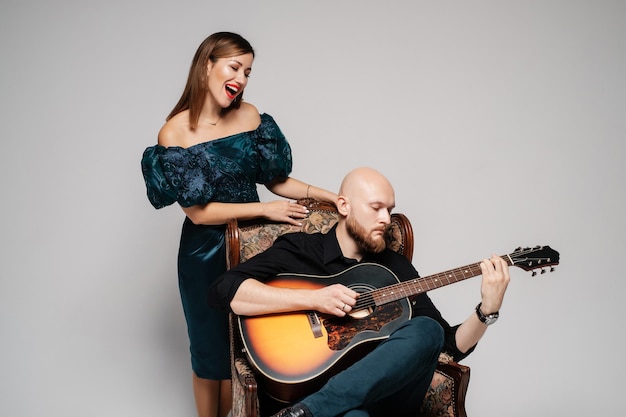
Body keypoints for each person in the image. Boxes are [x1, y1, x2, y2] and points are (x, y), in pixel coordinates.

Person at [208, 167, 510, 417]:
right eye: (376, 207)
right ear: (344, 206)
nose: (386, 219)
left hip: (383, 399)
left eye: (389, 209)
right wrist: (314, 299)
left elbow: (446, 345)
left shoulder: (396, 268)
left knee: (427, 329)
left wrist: (487, 310)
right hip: (310, 390)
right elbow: (225, 291)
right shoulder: (301, 249)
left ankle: (309, 412)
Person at [141, 32, 337, 417]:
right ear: (206, 66)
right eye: (235, 67)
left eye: (248, 71)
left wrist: (328, 195)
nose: (242, 79)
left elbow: (276, 181)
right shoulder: (175, 132)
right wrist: (264, 211)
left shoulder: (250, 116)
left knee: (250, 345)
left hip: (253, 247)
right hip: (204, 252)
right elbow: (198, 213)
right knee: (209, 350)